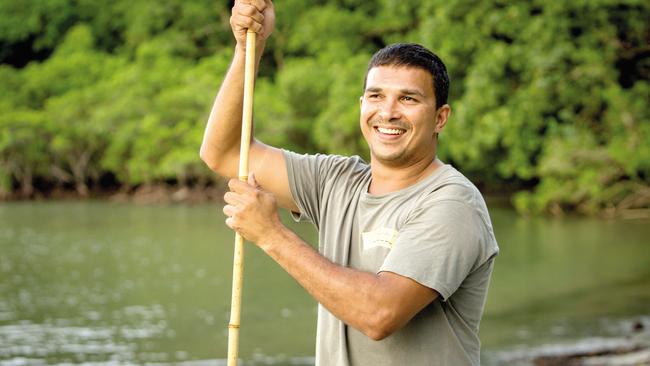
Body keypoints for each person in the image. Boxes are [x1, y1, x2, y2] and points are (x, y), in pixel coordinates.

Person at [200, 1, 499, 365]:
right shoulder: (336, 181)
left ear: (440, 118)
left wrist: (271, 235)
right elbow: (225, 153)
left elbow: (379, 314)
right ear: (362, 105)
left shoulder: (452, 204)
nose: (387, 112)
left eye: (408, 98)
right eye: (376, 96)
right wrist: (250, 48)